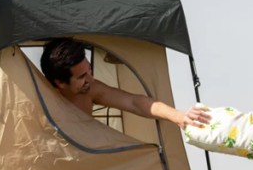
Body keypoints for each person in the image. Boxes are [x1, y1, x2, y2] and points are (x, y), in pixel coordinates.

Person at [41, 38, 210, 128]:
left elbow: (136, 102)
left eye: (90, 70)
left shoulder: (90, 89)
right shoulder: (39, 99)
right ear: (60, 83)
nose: (91, 79)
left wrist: (179, 117)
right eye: (82, 77)